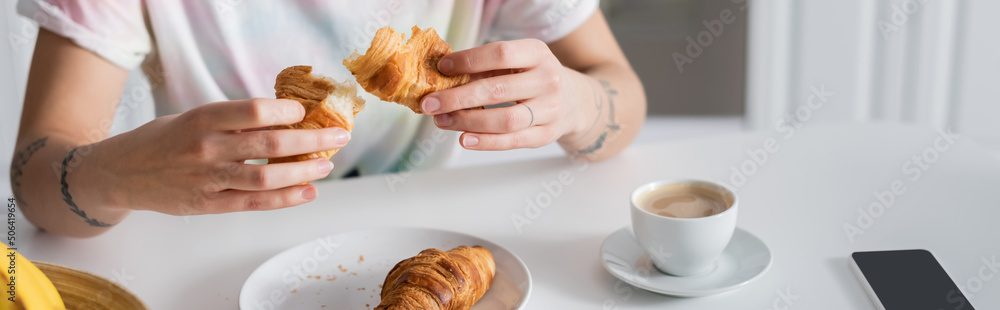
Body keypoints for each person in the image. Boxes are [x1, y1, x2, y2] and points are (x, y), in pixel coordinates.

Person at [10, 0, 646, 238]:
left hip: (425, 238)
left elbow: (624, 97)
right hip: (206, 257)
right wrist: (115, 173)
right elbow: (35, 184)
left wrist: (577, 101)